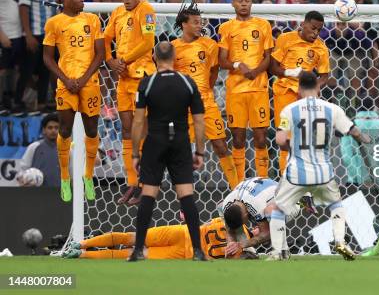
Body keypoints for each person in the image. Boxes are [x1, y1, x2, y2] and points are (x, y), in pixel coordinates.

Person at [267, 71, 372, 261]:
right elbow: (353, 131)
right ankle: (340, 241)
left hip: (296, 173)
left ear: (298, 90)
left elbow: (280, 139)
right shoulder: (332, 109)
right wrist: (366, 139)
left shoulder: (289, 110)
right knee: (336, 205)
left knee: (278, 209)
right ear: (318, 87)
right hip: (324, 172)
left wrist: (293, 146)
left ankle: (277, 252)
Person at [128, 41, 207, 262]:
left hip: (155, 141)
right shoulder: (188, 82)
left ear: (154, 56)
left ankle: (137, 251)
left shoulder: (147, 83)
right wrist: (199, 151)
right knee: (186, 195)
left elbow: (137, 121)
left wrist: (135, 153)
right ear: (174, 56)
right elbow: (199, 121)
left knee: (148, 195)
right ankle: (198, 251)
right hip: (180, 141)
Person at [42, 0, 105, 202]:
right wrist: (66, 79)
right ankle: (65, 176)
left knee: (91, 128)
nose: (83, 0)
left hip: (89, 82)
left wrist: (84, 79)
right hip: (65, 83)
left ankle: (88, 175)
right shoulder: (54, 23)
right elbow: (47, 57)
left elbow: (101, 54)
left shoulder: (92, 20)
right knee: (66, 129)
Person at [171, 2, 238, 189]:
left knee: (221, 146)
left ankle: (237, 190)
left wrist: (205, 91)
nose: (200, 25)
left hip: (206, 103)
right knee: (183, 152)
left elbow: (214, 70)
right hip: (183, 107)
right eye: (195, 22)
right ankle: (185, 197)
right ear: (184, 24)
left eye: (201, 22)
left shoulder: (210, 45)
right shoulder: (172, 47)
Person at [104, 0, 156, 205]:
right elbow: (104, 39)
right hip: (123, 79)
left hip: (141, 77)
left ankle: (146, 184)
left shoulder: (146, 10)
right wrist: (109, 60)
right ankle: (132, 182)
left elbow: (148, 42)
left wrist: (122, 60)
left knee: (140, 131)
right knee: (126, 130)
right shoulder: (116, 13)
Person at [218, 0, 274, 181]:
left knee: (261, 139)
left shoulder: (263, 25)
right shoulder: (226, 28)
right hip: (235, 91)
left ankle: (263, 181)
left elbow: (268, 57)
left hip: (259, 88)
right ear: (233, 3)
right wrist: (237, 65)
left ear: (252, 2)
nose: (243, 3)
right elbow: (222, 60)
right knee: (238, 140)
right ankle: (238, 186)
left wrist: (256, 72)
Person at [269, 11, 330, 174]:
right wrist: (293, 73)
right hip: (284, 93)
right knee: (285, 138)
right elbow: (273, 67)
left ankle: (302, 181)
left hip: (304, 98)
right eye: (313, 28)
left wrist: (313, 89)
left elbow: (325, 76)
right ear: (303, 24)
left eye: (319, 30)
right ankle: (285, 179)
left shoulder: (321, 48)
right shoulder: (285, 39)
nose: (316, 33)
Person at [62, 217, 249, 260]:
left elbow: (210, 221)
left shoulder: (231, 220)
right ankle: (80, 253)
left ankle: (81, 245)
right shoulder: (240, 250)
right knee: (134, 251)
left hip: (183, 232)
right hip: (184, 253)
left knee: (132, 239)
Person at [221, 177, 303, 258]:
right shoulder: (226, 204)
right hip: (263, 200)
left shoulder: (255, 204)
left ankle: (283, 250)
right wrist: (231, 243)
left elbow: (267, 233)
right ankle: (247, 252)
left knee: (271, 211)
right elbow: (230, 229)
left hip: (291, 203)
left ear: (245, 215)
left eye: (244, 222)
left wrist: (242, 244)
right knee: (236, 226)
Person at [16, 0, 54, 114]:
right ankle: (18, 102)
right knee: (27, 70)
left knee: (46, 70)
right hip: (35, 34)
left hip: (49, 36)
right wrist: (28, 35)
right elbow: (23, 9)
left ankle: (42, 103)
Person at [18, 113, 60, 187]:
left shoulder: (67, 150)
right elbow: (23, 170)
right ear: (44, 130)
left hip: (61, 194)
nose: (53, 130)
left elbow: (73, 174)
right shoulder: (34, 147)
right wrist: (24, 179)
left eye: (56, 128)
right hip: (36, 194)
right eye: (50, 128)